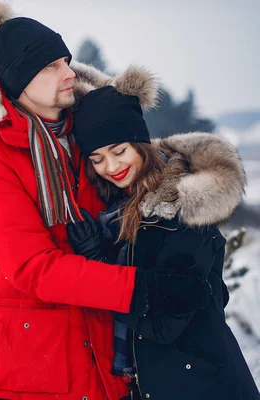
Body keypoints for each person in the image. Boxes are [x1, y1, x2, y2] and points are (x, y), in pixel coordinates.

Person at [0, 1, 222, 399]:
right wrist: (141, 290)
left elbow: (144, 181)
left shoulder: (87, 136)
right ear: (19, 80)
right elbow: (33, 268)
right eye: (51, 66)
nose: (68, 72)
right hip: (36, 362)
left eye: (65, 61)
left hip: (105, 349)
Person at [67, 85, 259, 400]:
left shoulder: (180, 213)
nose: (111, 167)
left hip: (205, 388)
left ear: (140, 144)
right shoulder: (129, 209)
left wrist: (98, 264)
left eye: (119, 151)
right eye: (97, 158)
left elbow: (164, 325)